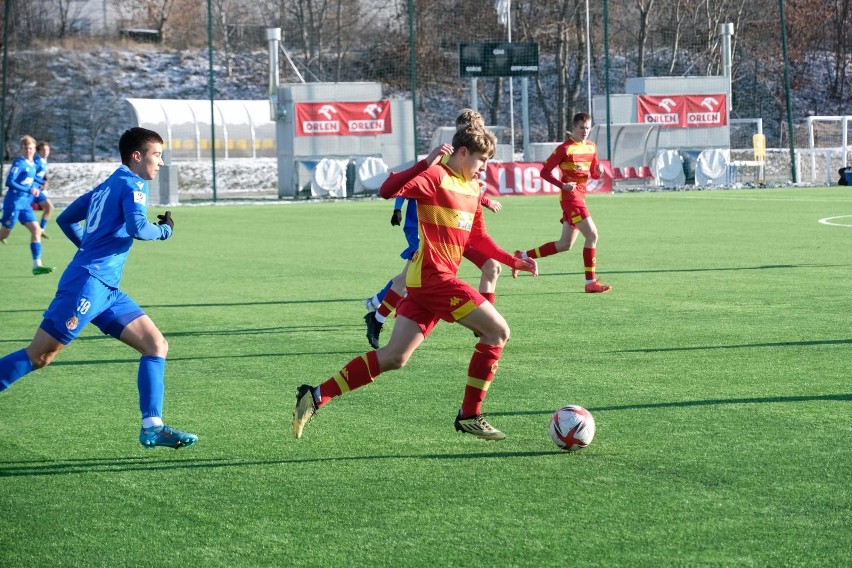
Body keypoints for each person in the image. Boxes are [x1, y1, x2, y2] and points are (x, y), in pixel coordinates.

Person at [293, 126, 538, 442]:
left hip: (425, 284)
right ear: (462, 153)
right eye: (481, 160)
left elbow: (478, 238)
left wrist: (512, 260)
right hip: (434, 280)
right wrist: (425, 163)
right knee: (498, 331)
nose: (484, 168)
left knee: (395, 356)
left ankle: (314, 395)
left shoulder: (472, 188)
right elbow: (388, 190)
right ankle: (470, 415)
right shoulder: (436, 178)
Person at [0, 127, 197, 450]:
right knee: (40, 356)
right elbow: (137, 228)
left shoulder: (108, 184)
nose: (161, 162)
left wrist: (89, 252)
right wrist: (165, 231)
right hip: (87, 286)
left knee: (155, 345)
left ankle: (153, 426)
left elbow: (65, 220)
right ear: (137, 156)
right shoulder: (132, 184)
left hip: (105, 289)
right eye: (157, 155)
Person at [362, 109, 504, 348]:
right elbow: (407, 183)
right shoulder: (447, 157)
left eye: (479, 129)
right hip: (432, 226)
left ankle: (485, 321)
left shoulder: (473, 158)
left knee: (492, 266)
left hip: (460, 230)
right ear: (460, 133)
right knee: (409, 277)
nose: (476, 134)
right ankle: (377, 315)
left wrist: (486, 202)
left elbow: (465, 192)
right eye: (471, 130)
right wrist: (397, 208)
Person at [511, 112, 611, 293]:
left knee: (565, 244)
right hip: (570, 198)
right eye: (581, 128)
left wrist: (599, 172)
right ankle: (590, 283)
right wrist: (562, 185)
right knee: (592, 235)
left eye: (588, 128)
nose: (585, 131)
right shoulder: (564, 149)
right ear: (573, 128)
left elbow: (593, 174)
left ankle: (520, 257)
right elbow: (544, 172)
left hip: (581, 195)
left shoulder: (591, 147)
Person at [0, 135, 55, 275]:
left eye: (30, 148)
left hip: (25, 205)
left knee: (36, 230)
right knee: (4, 234)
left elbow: (30, 180)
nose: (28, 151)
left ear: (34, 149)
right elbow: (9, 182)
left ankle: (37, 266)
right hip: (14, 203)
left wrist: (39, 184)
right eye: (25, 148)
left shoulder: (32, 164)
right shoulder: (19, 163)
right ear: (21, 149)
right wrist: (29, 189)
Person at [31, 141, 56, 239]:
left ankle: (41, 229)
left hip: (38, 190)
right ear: (38, 151)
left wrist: (45, 181)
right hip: (31, 190)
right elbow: (31, 175)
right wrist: (41, 182)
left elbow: (43, 175)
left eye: (47, 149)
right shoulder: (37, 161)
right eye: (43, 150)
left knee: (49, 207)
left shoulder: (44, 161)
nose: (46, 152)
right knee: (15, 214)